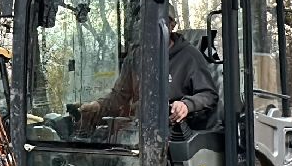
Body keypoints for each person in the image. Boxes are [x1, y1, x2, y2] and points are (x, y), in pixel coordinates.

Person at [79, 13, 220, 130]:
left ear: (171, 26)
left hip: (175, 133)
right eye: (147, 25)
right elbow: (120, 96)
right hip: (138, 132)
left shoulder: (190, 56)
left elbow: (208, 95)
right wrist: (97, 106)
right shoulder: (135, 58)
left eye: (159, 25)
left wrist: (186, 105)